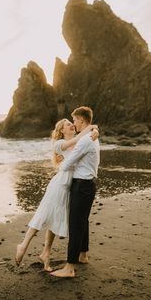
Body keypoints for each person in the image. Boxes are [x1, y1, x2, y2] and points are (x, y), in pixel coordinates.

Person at [15, 118, 98, 271]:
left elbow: (83, 141)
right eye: (68, 124)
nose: (72, 125)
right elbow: (80, 137)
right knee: (43, 215)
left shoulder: (77, 142)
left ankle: (45, 254)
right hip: (59, 185)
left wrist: (94, 131)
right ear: (62, 130)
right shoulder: (59, 144)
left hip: (69, 187)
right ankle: (23, 245)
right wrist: (93, 127)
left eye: (72, 123)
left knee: (54, 218)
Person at [50, 106, 100, 278]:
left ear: (81, 120)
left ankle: (69, 267)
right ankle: (83, 255)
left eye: (75, 121)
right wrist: (94, 129)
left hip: (81, 186)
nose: (75, 124)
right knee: (82, 221)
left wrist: (63, 163)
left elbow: (66, 163)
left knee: (75, 224)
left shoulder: (86, 140)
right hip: (88, 185)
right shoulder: (92, 137)